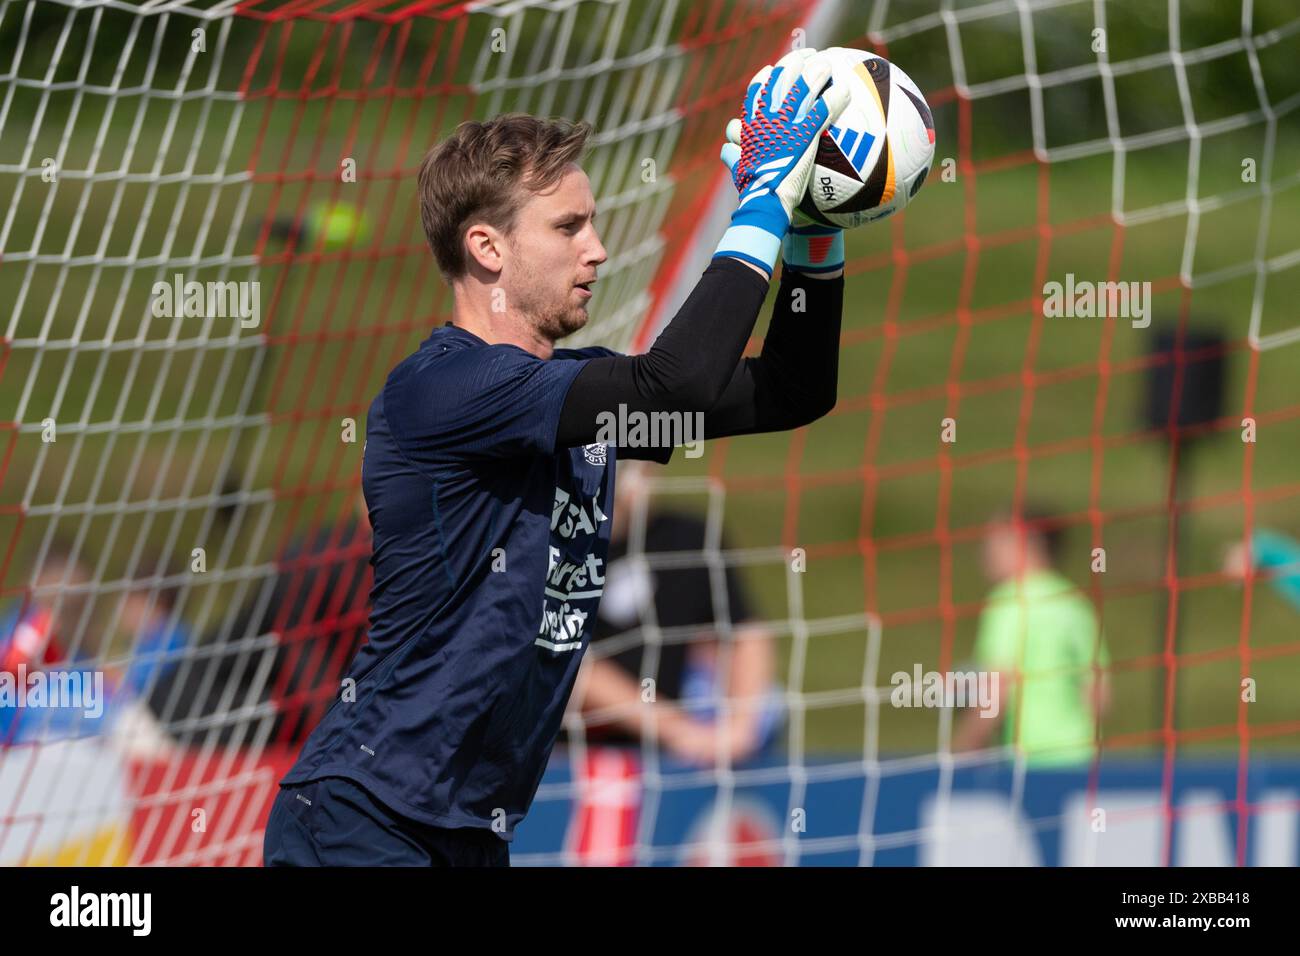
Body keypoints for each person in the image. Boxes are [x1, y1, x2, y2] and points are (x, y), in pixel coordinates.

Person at [264, 47, 851, 867]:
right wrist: (759, 206)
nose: (599, 249)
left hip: (466, 829)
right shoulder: (445, 388)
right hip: (367, 815)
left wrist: (815, 232)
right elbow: (672, 385)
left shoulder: (568, 391)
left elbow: (794, 390)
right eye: (569, 226)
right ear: (487, 249)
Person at [953, 507, 1111, 766]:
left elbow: (997, 688)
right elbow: (1100, 697)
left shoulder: (1010, 601)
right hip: (1083, 760)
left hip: (1031, 760)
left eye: (996, 541)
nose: (985, 554)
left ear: (1027, 543)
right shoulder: (1077, 605)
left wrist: (966, 746)